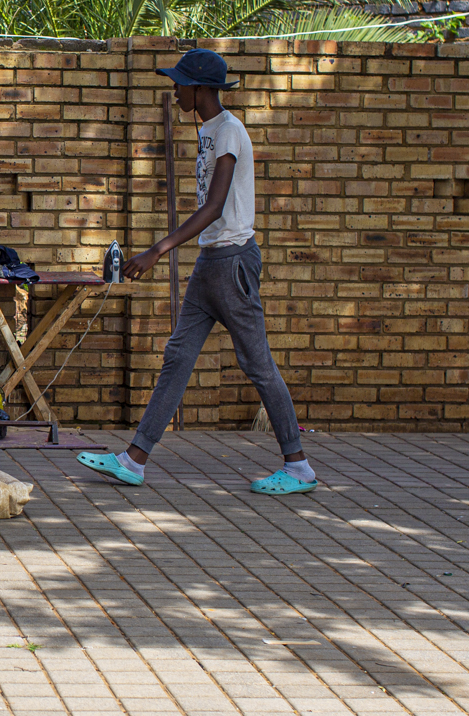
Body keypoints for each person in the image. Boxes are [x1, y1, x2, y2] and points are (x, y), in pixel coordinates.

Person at [76, 49, 317, 496]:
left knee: (257, 364)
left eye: (181, 83)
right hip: (211, 263)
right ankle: (134, 460)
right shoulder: (209, 129)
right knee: (178, 357)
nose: (175, 89)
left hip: (232, 263)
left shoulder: (228, 131)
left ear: (202, 89)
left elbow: (214, 206)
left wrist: (157, 250)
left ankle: (298, 465)